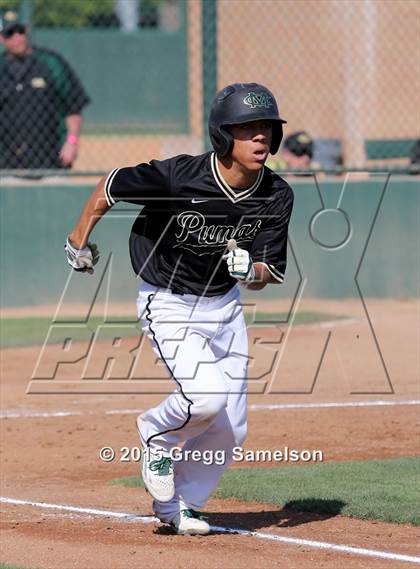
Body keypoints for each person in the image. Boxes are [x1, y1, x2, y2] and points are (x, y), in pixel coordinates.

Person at [64, 82, 294, 535]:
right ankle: (155, 432)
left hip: (224, 308)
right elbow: (110, 185)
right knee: (204, 398)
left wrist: (252, 271)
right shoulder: (178, 176)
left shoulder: (276, 194)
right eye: (247, 128)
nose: (260, 136)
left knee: (231, 430)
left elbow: (271, 271)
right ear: (222, 135)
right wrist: (78, 240)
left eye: (266, 127)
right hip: (167, 301)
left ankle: (179, 506)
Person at [0, 9, 90, 170]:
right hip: (6, 164)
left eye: (20, 31)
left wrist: (72, 142)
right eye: (9, 33)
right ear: (1, 38)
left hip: (52, 160)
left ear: (27, 31)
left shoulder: (52, 63)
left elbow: (73, 105)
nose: (16, 37)